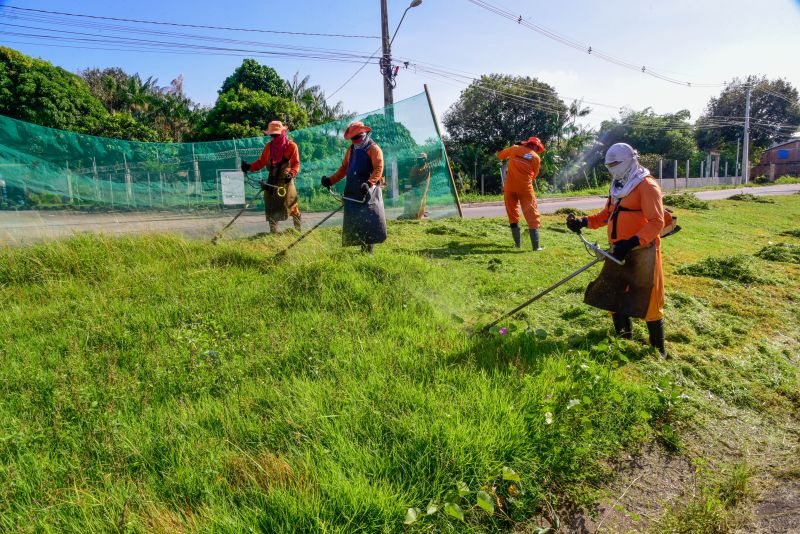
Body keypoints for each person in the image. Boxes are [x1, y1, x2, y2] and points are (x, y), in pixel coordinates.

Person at [566, 142, 667, 357]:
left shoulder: (647, 186)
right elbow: (607, 215)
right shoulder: (618, 185)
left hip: (642, 251)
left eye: (616, 164)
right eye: (609, 165)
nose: (612, 168)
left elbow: (656, 222)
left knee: (649, 301)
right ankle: (624, 342)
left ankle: (659, 352)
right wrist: (582, 222)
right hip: (616, 251)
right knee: (614, 295)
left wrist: (630, 243)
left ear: (631, 160)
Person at [320, 121, 387, 254]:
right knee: (356, 220)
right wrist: (331, 180)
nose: (355, 141)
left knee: (369, 220)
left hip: (369, 191)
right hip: (353, 189)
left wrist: (369, 183)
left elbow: (378, 169)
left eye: (357, 138)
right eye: (353, 139)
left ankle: (369, 251)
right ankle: (361, 247)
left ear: (364, 134)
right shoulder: (350, 150)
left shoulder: (374, 149)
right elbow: (344, 168)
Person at [240, 121, 301, 234]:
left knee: (292, 206)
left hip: (286, 182)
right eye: (272, 135)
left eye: (276, 135)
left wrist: (292, 173)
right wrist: (249, 167)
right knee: (271, 207)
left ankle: (298, 232)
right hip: (271, 181)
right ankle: (273, 234)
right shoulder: (269, 147)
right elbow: (261, 162)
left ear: (282, 132)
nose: (274, 137)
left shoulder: (292, 146)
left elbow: (296, 164)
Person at [497, 136, 545, 251]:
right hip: (525, 189)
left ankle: (518, 245)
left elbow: (500, 156)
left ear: (527, 143)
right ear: (536, 147)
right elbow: (534, 176)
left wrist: (516, 148)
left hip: (509, 188)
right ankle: (536, 246)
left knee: (512, 215)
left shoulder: (514, 148)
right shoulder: (536, 158)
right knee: (532, 215)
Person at [398, 152, 432, 220]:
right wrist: (410, 189)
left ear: (425, 160)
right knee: (408, 200)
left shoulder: (427, 167)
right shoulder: (415, 168)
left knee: (421, 201)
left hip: (421, 188)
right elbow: (411, 180)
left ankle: (420, 214)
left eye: (420, 159)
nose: (418, 161)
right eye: (418, 159)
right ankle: (407, 213)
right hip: (411, 187)